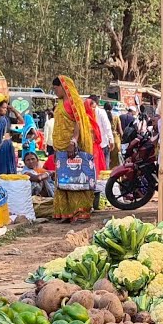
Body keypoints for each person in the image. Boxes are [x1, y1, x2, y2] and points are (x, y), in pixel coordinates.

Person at [51, 76, 97, 223]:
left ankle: (80, 211)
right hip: (60, 147)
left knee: (77, 178)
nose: (55, 91)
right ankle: (65, 212)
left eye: (55, 88)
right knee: (63, 179)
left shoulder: (75, 102)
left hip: (72, 146)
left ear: (64, 87)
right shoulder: (59, 103)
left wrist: (74, 140)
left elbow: (80, 122)